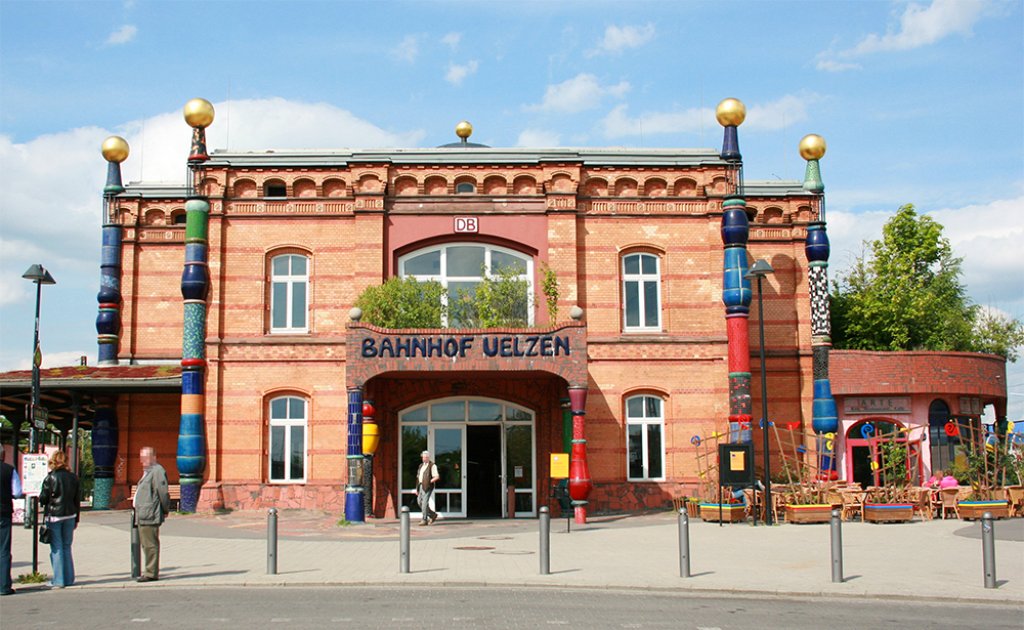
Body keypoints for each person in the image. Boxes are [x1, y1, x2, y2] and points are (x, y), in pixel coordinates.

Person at [37, 451, 80, 589]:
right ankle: (69, 578)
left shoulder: (50, 478)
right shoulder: (74, 478)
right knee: (67, 546)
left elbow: (43, 498)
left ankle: (59, 580)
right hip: (70, 515)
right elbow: (77, 499)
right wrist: (77, 519)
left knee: (57, 547)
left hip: (55, 516)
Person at [134, 447, 170, 582]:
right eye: (141, 457)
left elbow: (163, 493)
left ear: (153, 457)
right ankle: (149, 570)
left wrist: (165, 509)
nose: (142, 461)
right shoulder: (148, 471)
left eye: (145, 457)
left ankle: (151, 573)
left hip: (150, 514)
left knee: (150, 545)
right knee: (146, 544)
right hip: (144, 513)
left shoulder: (157, 471)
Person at [1, 449, 23, 596]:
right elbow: (17, 492)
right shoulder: (9, 470)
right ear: (3, 455)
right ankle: (3, 586)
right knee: (3, 550)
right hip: (3, 513)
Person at [415, 450, 440, 526]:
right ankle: (432, 514)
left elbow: (437, 477)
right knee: (419, 501)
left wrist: (429, 482)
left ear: (428, 457)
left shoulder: (432, 466)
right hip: (420, 486)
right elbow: (418, 477)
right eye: (423, 457)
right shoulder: (421, 466)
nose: (424, 458)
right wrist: (417, 489)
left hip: (428, 486)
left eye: (425, 457)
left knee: (424, 502)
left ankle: (424, 519)